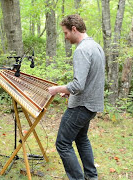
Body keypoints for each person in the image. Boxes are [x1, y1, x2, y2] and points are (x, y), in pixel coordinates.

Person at [48, 14, 105, 180]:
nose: (65, 37)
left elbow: (78, 85)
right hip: (92, 105)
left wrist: (58, 88)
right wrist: (68, 90)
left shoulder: (81, 50)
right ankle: (91, 176)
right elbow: (91, 80)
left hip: (81, 107)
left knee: (63, 143)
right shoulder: (96, 47)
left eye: (65, 33)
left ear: (74, 29)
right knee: (81, 139)